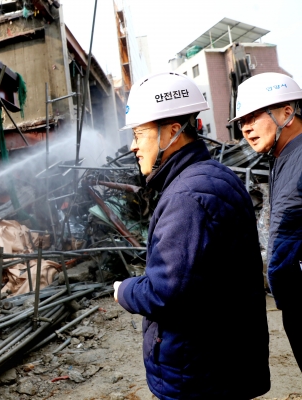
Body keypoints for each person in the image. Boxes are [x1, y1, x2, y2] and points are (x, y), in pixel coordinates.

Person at [113, 72, 270, 399]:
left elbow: (165, 292)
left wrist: (123, 290)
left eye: (140, 134)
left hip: (197, 372)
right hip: (221, 361)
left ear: (171, 132)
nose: (133, 145)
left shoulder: (187, 197)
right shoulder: (213, 177)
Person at [230, 72, 302, 370]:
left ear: (287, 111)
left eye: (255, 116)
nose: (246, 128)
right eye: (242, 121)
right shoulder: (282, 156)